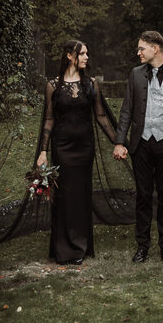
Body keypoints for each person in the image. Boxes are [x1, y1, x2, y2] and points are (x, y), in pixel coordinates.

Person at [113, 30, 163, 262]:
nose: (138, 52)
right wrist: (120, 141)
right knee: (143, 195)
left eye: (142, 48)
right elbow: (127, 110)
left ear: (155, 48)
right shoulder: (135, 74)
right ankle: (142, 246)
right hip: (140, 143)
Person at [36, 40, 117, 265]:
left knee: (81, 195)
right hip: (62, 148)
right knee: (63, 196)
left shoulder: (90, 84)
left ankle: (81, 246)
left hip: (84, 148)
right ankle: (63, 250)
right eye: (83, 54)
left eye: (87, 54)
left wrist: (117, 141)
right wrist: (43, 150)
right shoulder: (52, 85)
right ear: (71, 56)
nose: (87, 58)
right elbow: (49, 118)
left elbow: (101, 116)